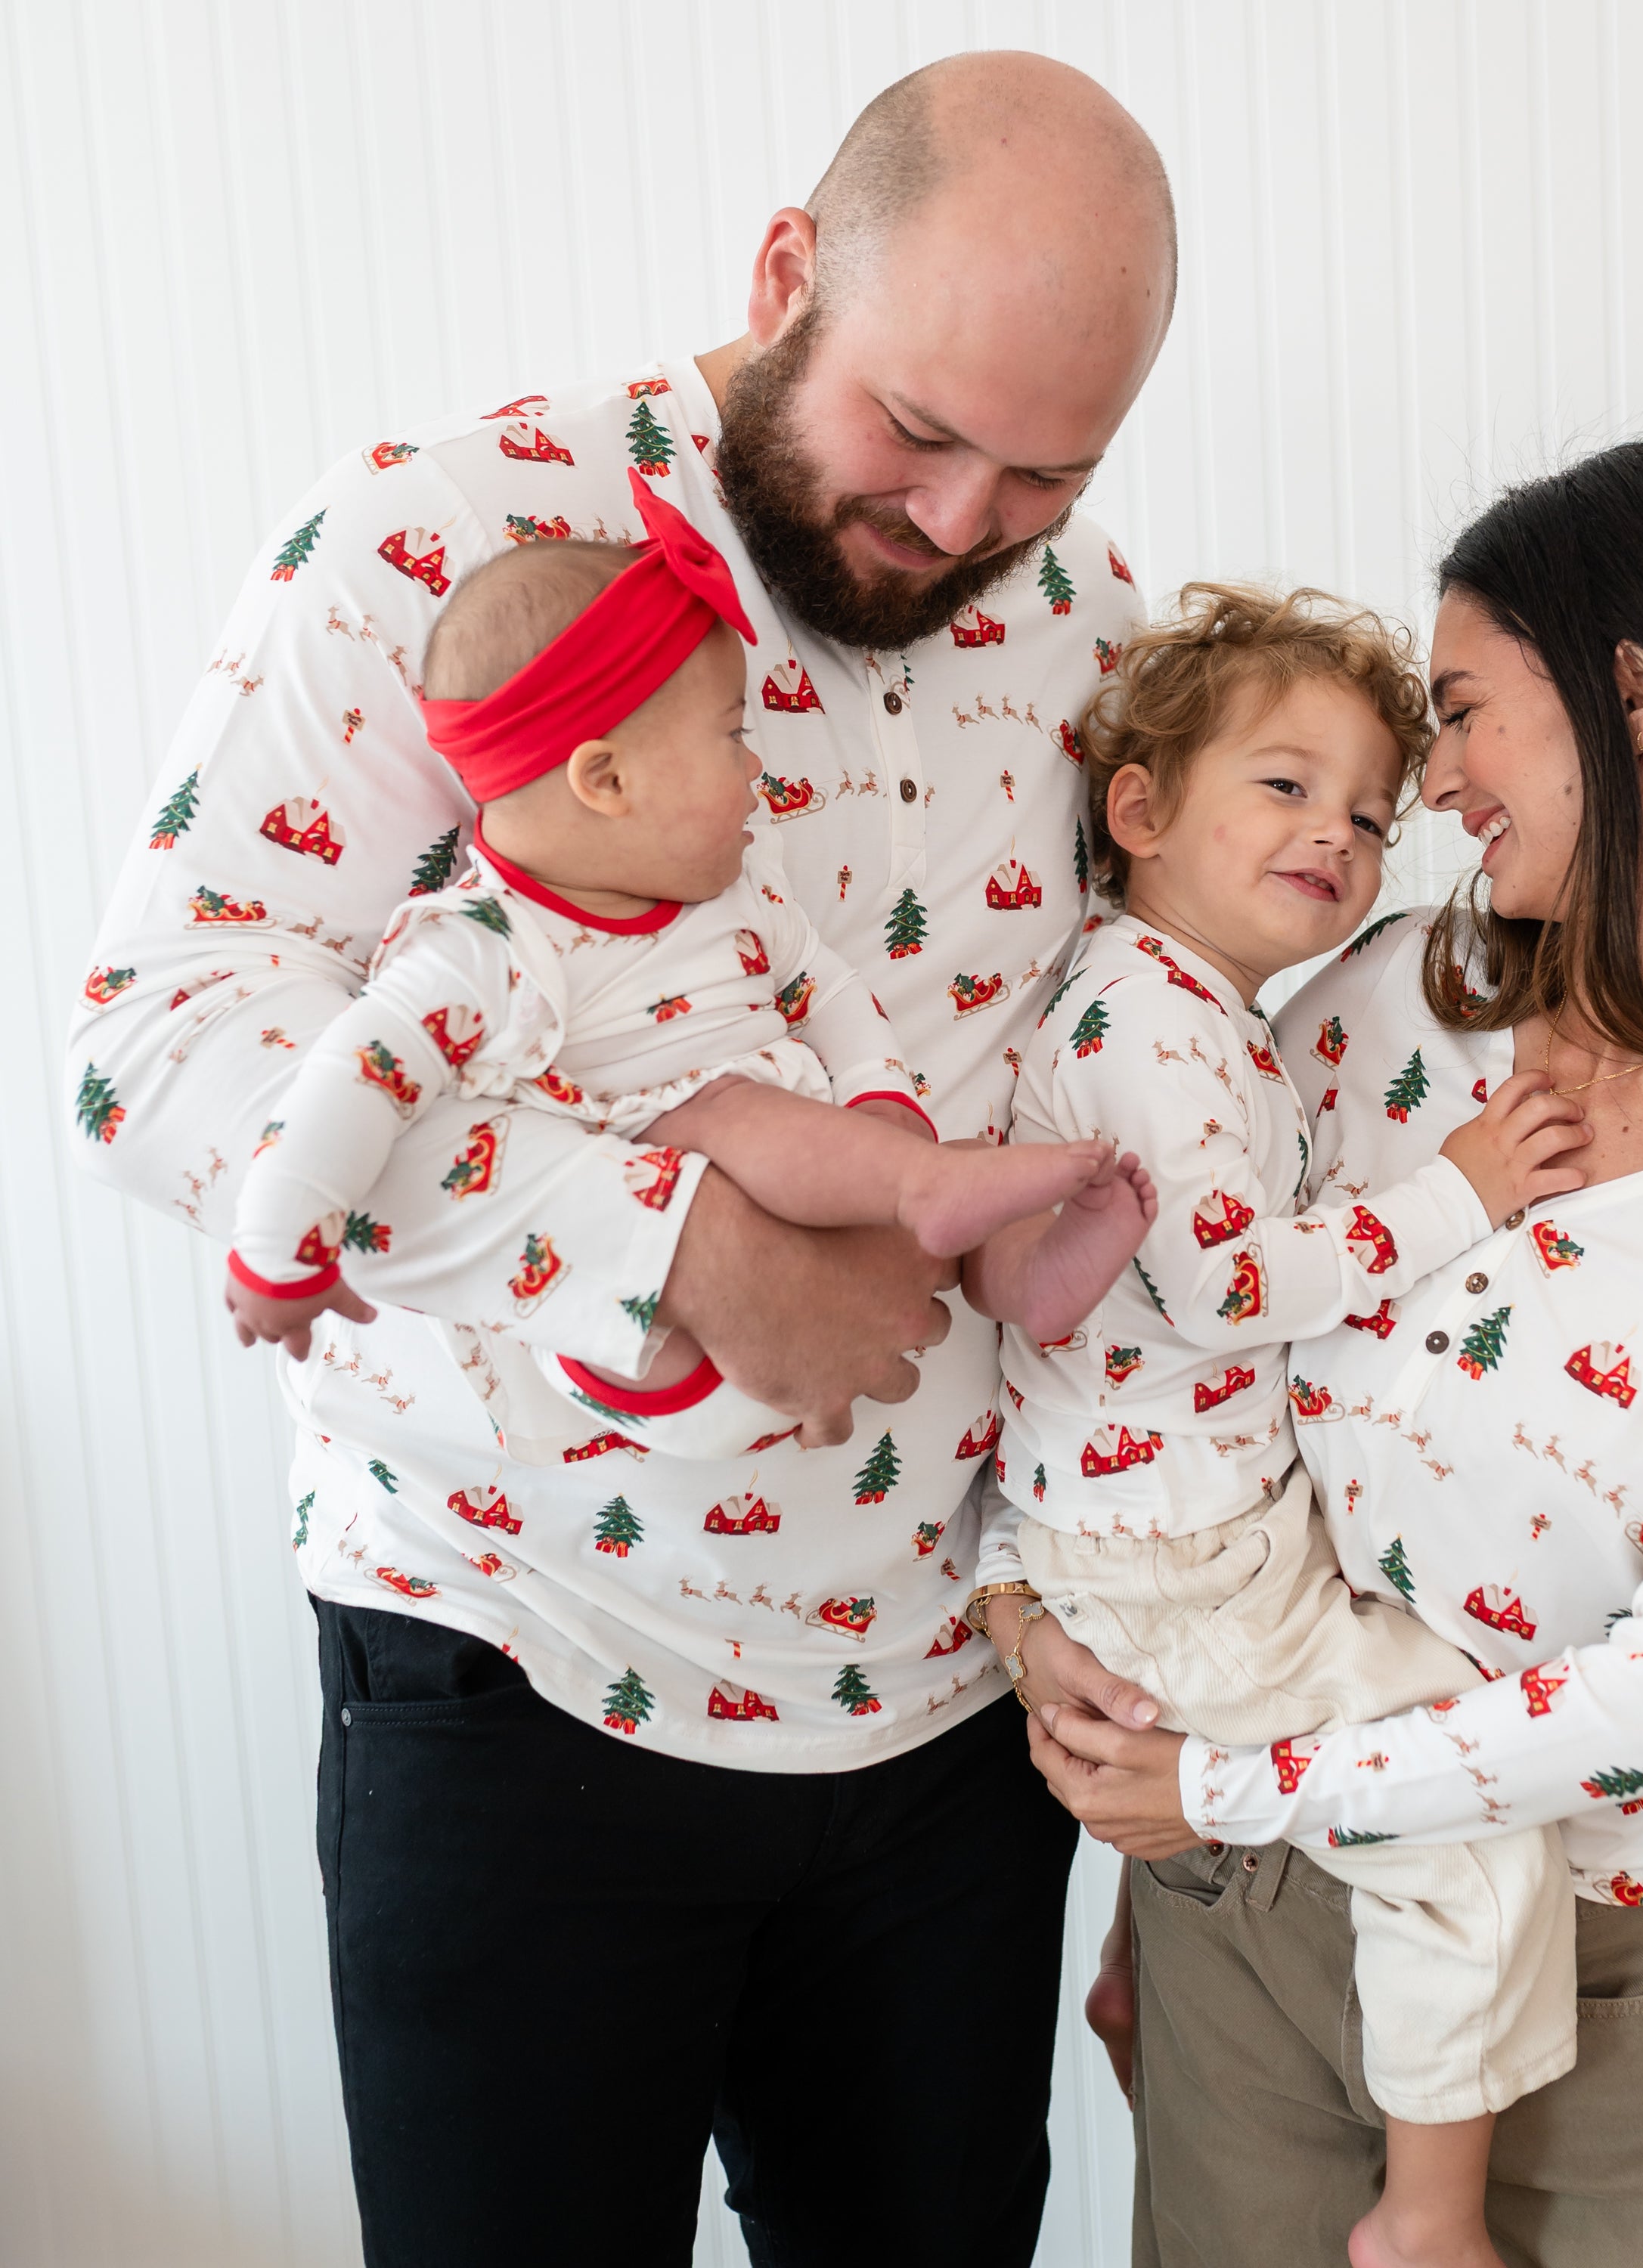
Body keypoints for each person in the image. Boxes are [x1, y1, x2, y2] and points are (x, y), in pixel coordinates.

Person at [69, 50, 1180, 2268]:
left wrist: (1120, 1617)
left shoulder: (1092, 633)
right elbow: (162, 1045)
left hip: (950, 1725)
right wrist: (668, 1248)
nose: (961, 528)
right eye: (919, 434)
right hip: (519, 1685)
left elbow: (1134, 1131)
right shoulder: (440, 533)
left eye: (1040, 473)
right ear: (785, 275)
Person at [1025, 441, 1643, 2268]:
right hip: (1235, 1922)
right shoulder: (1385, 999)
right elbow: (1172, 1388)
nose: (1435, 782)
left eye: (1467, 714)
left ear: (1633, 696)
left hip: (1584, 1986)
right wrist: (1147, 1840)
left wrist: (1228, 1793)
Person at [981, 582, 1592, 2268]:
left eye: (1373, 812)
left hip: (1167, 1535)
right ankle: (1430, 2217)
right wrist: (1459, 1194)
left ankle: (1134, 1991)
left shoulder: (1197, 1015)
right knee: (1466, 1812)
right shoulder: (1151, 1020)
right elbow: (1226, 1284)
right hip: (1178, 1557)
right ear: (1140, 807)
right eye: (1287, 784)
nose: (1342, 833)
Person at [226, 472, 1158, 1452]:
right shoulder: (483, 951)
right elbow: (342, 1088)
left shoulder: (733, 892)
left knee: (946, 1198)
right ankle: (922, 1188)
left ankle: (1034, 1278)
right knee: (728, 1117)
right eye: (731, 735)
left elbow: (827, 990)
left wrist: (885, 1106)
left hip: (826, 1243)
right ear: (608, 778)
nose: (758, 767)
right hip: (649, 1351)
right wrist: (277, 1254)